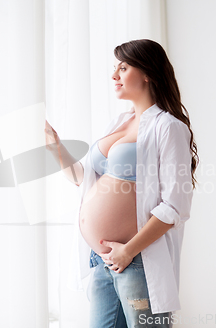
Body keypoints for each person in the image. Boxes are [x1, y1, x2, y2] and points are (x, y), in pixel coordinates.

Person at [44, 39, 199, 328]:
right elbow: (86, 180)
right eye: (115, 68)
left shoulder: (169, 127)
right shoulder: (119, 122)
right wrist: (55, 149)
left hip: (136, 259)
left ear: (148, 73)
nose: (114, 75)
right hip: (102, 260)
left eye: (123, 67)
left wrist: (128, 251)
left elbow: (175, 207)